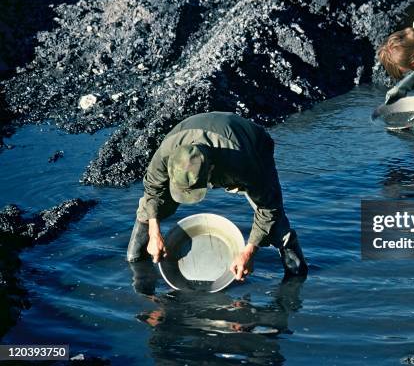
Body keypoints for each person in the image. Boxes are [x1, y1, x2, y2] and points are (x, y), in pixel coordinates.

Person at [126, 112, 308, 280]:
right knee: (152, 207)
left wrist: (249, 252)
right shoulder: (166, 154)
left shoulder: (244, 164)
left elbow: (268, 209)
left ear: (211, 171)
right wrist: (154, 231)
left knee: (273, 216)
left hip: (251, 144)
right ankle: (136, 258)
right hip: (195, 134)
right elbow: (152, 189)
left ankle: (296, 272)